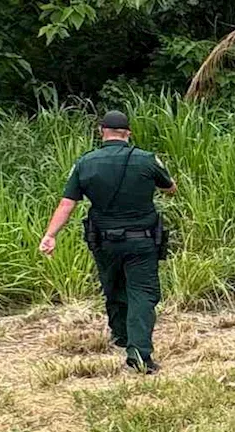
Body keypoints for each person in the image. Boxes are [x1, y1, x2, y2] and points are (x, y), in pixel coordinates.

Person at [41, 110, 177, 374]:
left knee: (113, 285)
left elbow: (67, 204)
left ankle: (120, 336)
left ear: (101, 131)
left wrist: (50, 235)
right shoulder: (146, 160)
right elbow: (170, 188)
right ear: (128, 133)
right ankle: (138, 355)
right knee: (142, 293)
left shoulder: (85, 163)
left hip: (104, 241)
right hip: (142, 240)